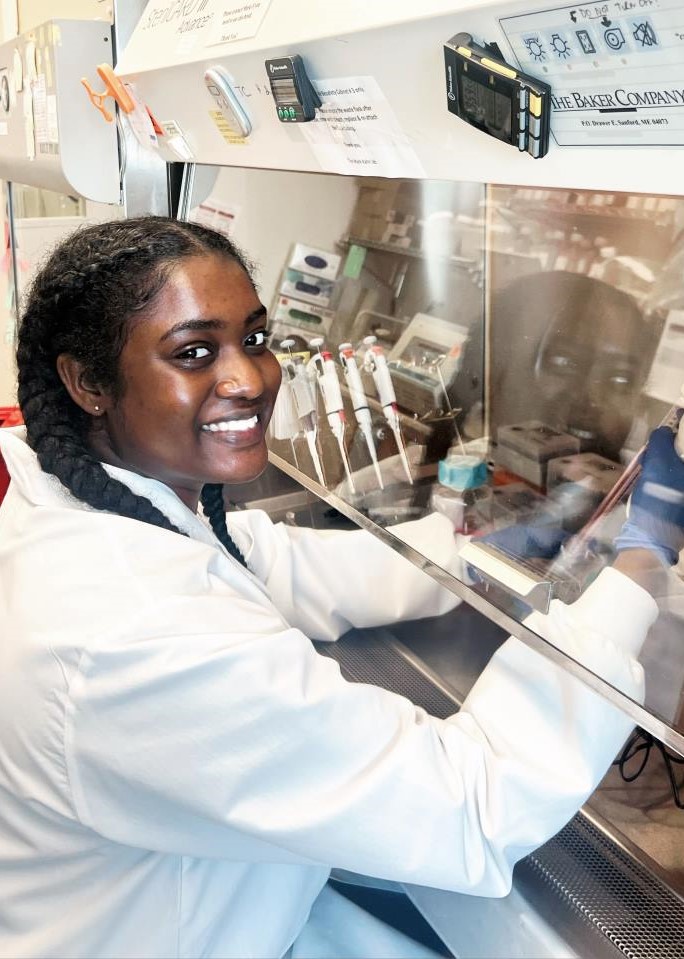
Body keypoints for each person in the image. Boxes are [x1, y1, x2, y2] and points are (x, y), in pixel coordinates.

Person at [0, 216, 681, 959]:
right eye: (194, 352)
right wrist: (641, 566)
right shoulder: (135, 637)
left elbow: (268, 561)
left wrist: (471, 550)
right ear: (88, 382)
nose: (250, 379)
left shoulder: (77, 503)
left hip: (204, 898)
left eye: (254, 340)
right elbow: (475, 804)